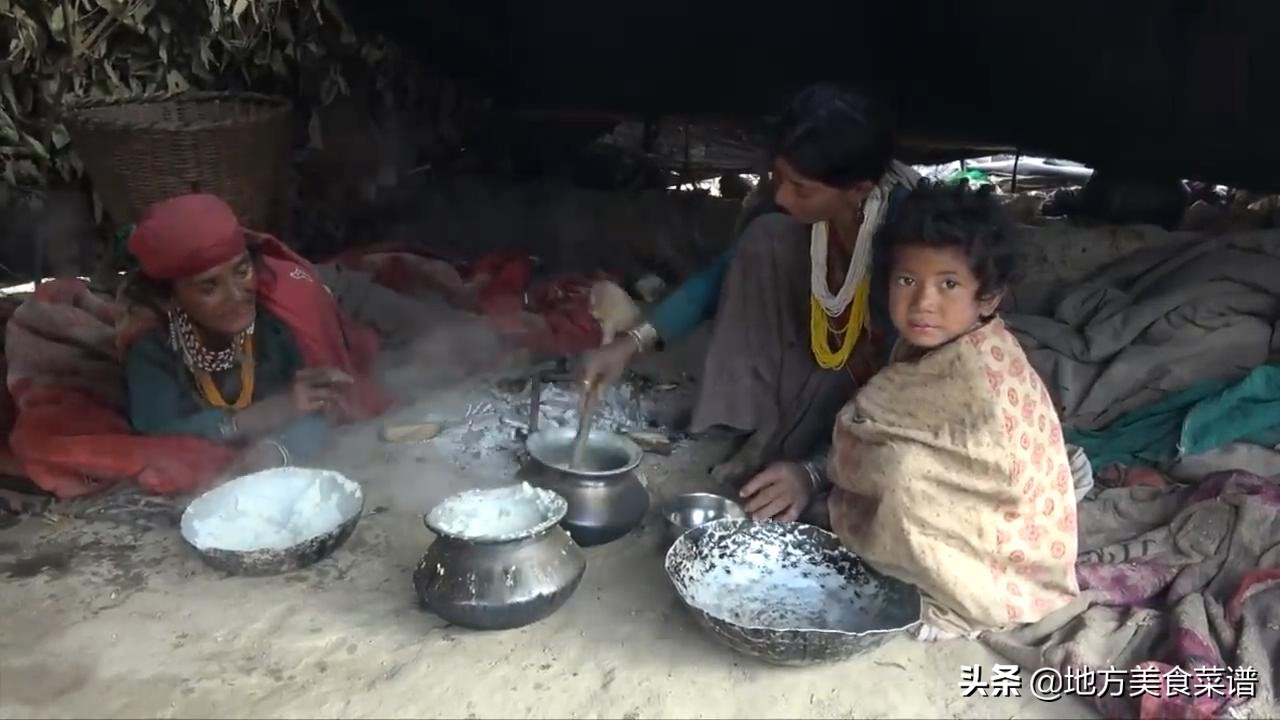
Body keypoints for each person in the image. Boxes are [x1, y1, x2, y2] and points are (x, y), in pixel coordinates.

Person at [749, 182, 1080, 639]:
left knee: (898, 472)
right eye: (907, 280)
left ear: (988, 297)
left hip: (1006, 545)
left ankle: (955, 600)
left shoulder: (974, 365)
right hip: (998, 521)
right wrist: (811, 473)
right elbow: (882, 425)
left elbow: (877, 437)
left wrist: (813, 474)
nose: (923, 303)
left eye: (949, 284)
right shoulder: (941, 343)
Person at [581, 83, 919, 487]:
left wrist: (813, 473)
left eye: (801, 188)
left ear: (858, 190)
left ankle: (808, 452)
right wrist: (630, 344)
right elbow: (720, 276)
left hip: (885, 387)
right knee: (766, 237)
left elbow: (910, 374)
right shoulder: (804, 216)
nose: (784, 197)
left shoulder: (911, 235)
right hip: (825, 350)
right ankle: (750, 423)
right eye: (779, 178)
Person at [119, 193, 391, 480]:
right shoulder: (153, 347)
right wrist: (246, 421)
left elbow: (316, 407)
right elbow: (156, 427)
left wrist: (280, 449)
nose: (237, 295)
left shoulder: (279, 319)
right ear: (168, 298)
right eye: (209, 287)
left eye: (242, 271)